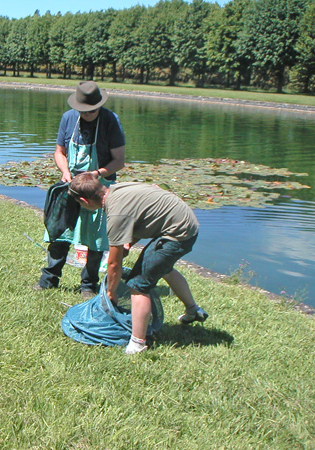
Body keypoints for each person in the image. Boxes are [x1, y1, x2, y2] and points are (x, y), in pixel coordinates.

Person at [68, 172, 209, 354]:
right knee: (163, 268)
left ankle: (137, 343)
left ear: (84, 200)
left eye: (79, 203)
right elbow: (143, 213)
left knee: (138, 284)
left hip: (177, 233)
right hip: (187, 224)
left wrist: (111, 293)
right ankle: (193, 311)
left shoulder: (115, 213)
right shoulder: (119, 188)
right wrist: (129, 243)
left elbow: (113, 264)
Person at [35, 81, 125, 299]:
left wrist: (96, 174)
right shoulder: (68, 118)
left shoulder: (110, 120)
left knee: (95, 239)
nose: (87, 114)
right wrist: (65, 171)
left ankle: (88, 285)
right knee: (59, 234)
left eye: (91, 110)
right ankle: (49, 280)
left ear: (99, 106)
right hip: (71, 184)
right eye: (83, 111)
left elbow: (119, 161)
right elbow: (59, 152)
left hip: (99, 186)